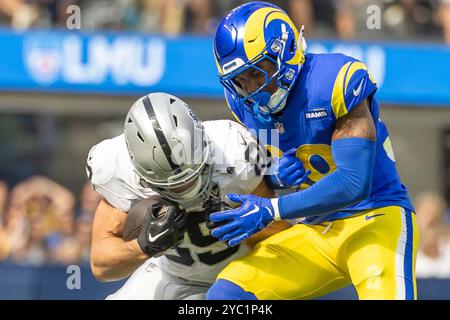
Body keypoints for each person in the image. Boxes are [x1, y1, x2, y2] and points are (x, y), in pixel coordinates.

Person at [207, 1, 418, 300]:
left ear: (286, 51)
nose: (252, 89)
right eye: (240, 80)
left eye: (257, 73)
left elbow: (352, 182)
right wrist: (273, 177)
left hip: (375, 219)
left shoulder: (333, 81)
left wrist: (272, 209)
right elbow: (260, 164)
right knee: (227, 293)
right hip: (317, 230)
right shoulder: (243, 104)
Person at [87, 92, 291, 299]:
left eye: (192, 176)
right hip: (172, 275)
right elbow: (101, 267)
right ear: (138, 170)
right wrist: (143, 246)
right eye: (172, 185)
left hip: (240, 277)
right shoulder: (118, 171)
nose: (185, 188)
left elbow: (277, 239)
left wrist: (243, 223)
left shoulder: (236, 154)